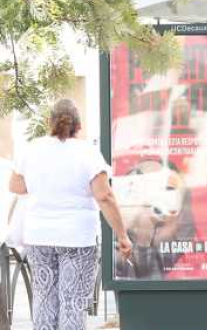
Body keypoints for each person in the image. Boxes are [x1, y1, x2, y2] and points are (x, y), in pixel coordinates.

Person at [9, 99, 133, 330]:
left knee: (44, 302)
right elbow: (104, 196)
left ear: (49, 122)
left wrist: (42, 185)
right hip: (77, 239)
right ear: (79, 126)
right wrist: (122, 236)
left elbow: (16, 186)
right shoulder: (88, 153)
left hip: (39, 238)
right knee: (72, 303)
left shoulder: (33, 149)